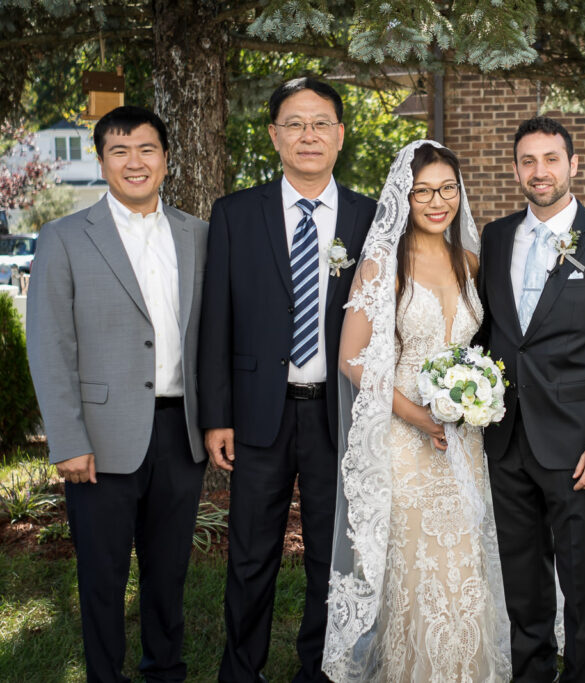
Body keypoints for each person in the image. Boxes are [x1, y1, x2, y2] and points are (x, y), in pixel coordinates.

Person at [198, 77, 376, 682]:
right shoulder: (235, 214)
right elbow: (215, 322)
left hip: (338, 414)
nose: (308, 135)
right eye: (295, 123)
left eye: (321, 122)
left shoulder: (370, 216)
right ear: (274, 136)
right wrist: (217, 415)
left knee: (333, 556)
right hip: (256, 413)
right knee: (250, 554)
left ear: (341, 135)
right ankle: (241, 671)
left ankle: (319, 670)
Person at [26, 105, 208, 682]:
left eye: (147, 149)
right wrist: (68, 439)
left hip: (181, 431)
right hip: (100, 442)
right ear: (102, 162)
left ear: (166, 159)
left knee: (169, 571)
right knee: (102, 576)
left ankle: (164, 671)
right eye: (120, 151)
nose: (135, 162)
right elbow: (50, 345)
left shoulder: (198, 235)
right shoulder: (63, 238)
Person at [321, 140, 512, 681]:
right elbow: (352, 358)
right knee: (421, 572)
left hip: (464, 440)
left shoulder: (470, 262)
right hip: (407, 440)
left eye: (447, 189)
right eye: (424, 190)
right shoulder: (385, 263)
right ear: (405, 195)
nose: (437, 201)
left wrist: (477, 395)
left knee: (466, 566)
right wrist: (416, 414)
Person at [475, 116, 585, 682]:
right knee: (521, 573)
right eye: (528, 160)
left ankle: (582, 674)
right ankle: (531, 672)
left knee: (581, 575)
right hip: (504, 437)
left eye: (551, 159)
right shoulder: (497, 238)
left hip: (576, 444)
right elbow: (492, 334)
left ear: (574, 165)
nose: (539, 171)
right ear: (516, 168)